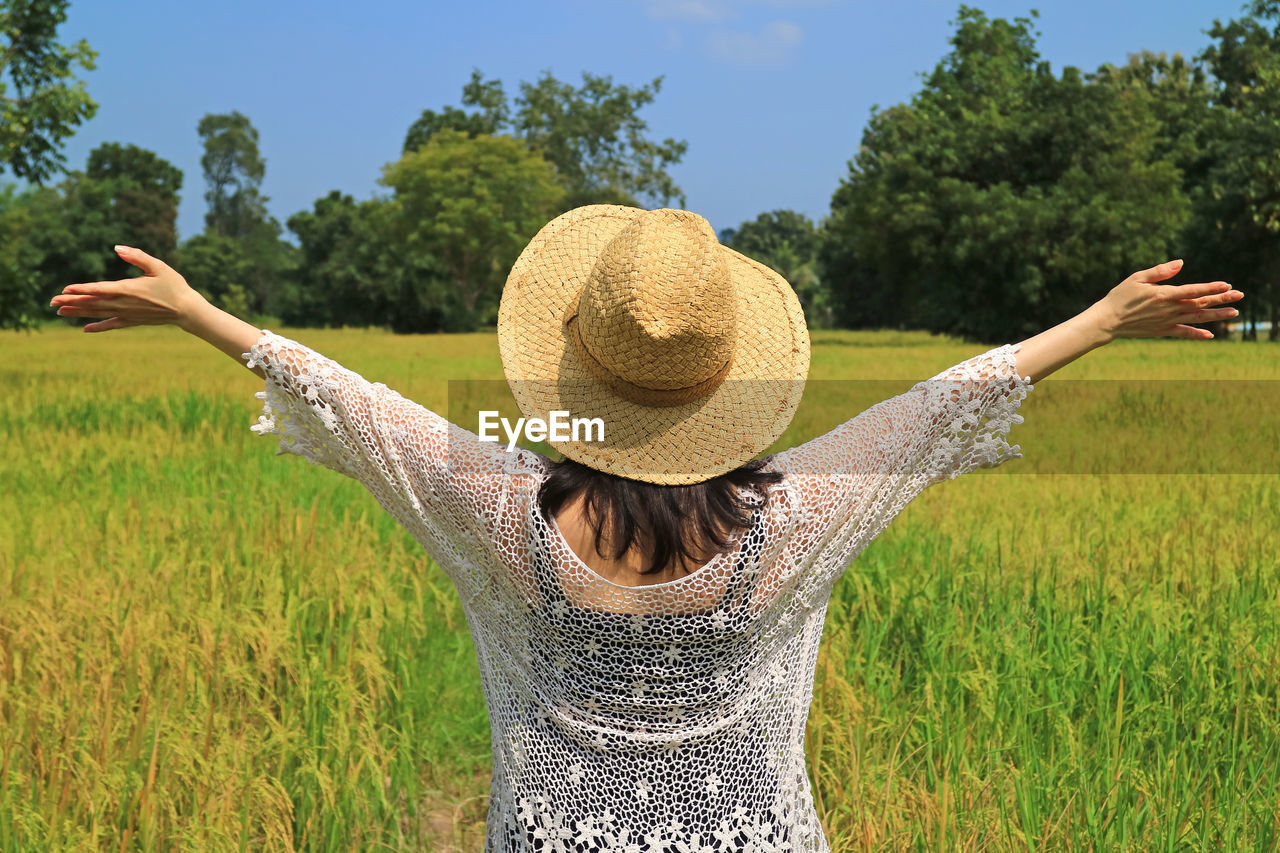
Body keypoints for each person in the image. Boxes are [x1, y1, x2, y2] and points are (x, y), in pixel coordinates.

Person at [51, 205, 1242, 852]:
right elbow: (939, 406)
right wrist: (1100, 317)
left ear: (571, 372)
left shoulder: (493, 507)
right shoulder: (797, 518)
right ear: (728, 385)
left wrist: (198, 310)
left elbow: (357, 407)